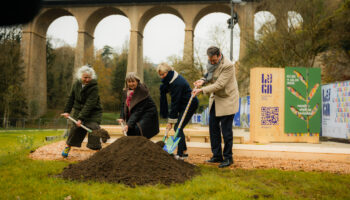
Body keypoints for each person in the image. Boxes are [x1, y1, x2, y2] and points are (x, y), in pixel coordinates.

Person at [192, 46, 239, 168]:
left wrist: (202, 90)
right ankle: (217, 156)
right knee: (213, 128)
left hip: (227, 99)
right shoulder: (211, 63)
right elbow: (209, 74)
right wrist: (202, 80)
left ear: (219, 55)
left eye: (214, 60)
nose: (212, 62)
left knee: (226, 131)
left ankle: (228, 158)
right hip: (216, 100)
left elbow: (219, 84)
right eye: (210, 60)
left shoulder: (228, 66)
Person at [157, 63, 198, 159]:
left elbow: (175, 103)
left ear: (168, 72)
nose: (162, 77)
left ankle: (181, 153)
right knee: (178, 127)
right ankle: (183, 150)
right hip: (181, 104)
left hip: (190, 104)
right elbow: (175, 102)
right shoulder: (169, 80)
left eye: (163, 74)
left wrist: (171, 121)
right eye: (160, 75)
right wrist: (170, 121)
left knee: (178, 127)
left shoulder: (177, 83)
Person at [61, 65, 103, 158]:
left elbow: (90, 104)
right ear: (81, 77)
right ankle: (68, 147)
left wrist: (81, 118)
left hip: (93, 112)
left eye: (89, 77)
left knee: (94, 128)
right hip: (78, 110)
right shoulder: (76, 84)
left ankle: (98, 151)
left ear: (92, 77)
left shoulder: (94, 87)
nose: (87, 80)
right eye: (85, 77)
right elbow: (71, 98)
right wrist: (67, 111)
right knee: (75, 129)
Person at [117, 72, 159, 139]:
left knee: (138, 128)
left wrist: (128, 125)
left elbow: (138, 111)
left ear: (137, 81)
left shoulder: (142, 92)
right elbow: (123, 105)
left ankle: (142, 145)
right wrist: (122, 117)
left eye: (133, 81)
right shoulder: (126, 91)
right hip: (137, 113)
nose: (131, 84)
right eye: (129, 82)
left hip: (148, 113)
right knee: (130, 130)